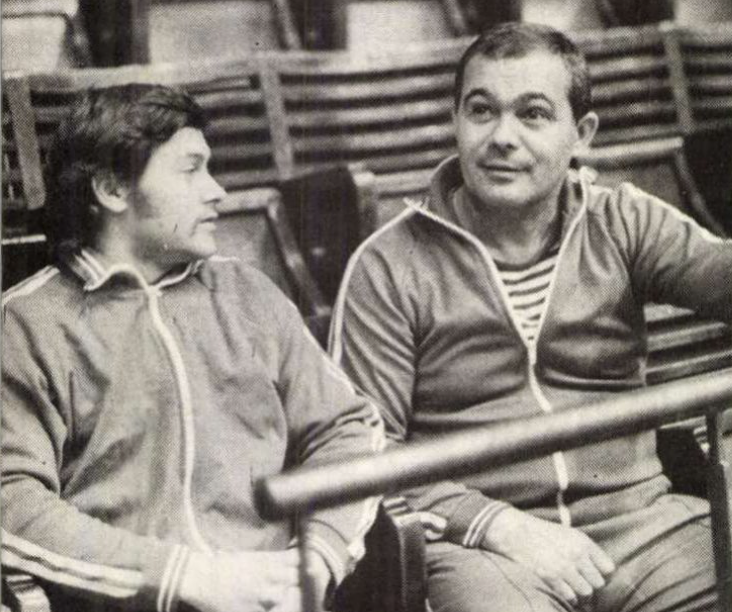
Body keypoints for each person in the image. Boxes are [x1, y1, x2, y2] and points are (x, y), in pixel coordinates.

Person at [329, 22, 732, 612]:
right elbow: (359, 452)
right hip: (484, 549)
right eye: (481, 111)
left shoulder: (623, 221)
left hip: (643, 523)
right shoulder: (387, 265)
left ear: (581, 134)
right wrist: (498, 526)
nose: (502, 137)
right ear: (455, 121)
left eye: (533, 114)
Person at [1, 84, 384, 612]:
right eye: (191, 169)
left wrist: (317, 558)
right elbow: (11, 499)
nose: (217, 191)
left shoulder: (247, 294)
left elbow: (346, 429)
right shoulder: (27, 323)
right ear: (112, 188)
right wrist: (185, 576)